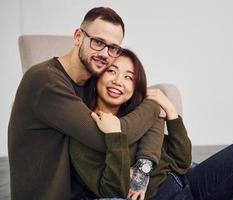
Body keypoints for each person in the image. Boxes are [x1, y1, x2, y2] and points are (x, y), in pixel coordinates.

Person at [70, 48, 233, 200]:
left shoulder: (139, 115)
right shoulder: (83, 128)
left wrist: (170, 111)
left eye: (129, 76)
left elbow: (181, 161)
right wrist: (115, 138)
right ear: (98, 76)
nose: (119, 81)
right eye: (112, 71)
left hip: (187, 184)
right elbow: (112, 191)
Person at [8, 7, 162, 200]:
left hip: (90, 190)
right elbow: (106, 138)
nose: (105, 54)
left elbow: (136, 122)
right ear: (78, 36)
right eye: (98, 42)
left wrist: (143, 164)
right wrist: (154, 104)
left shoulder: (92, 81)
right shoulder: (45, 81)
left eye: (113, 48)